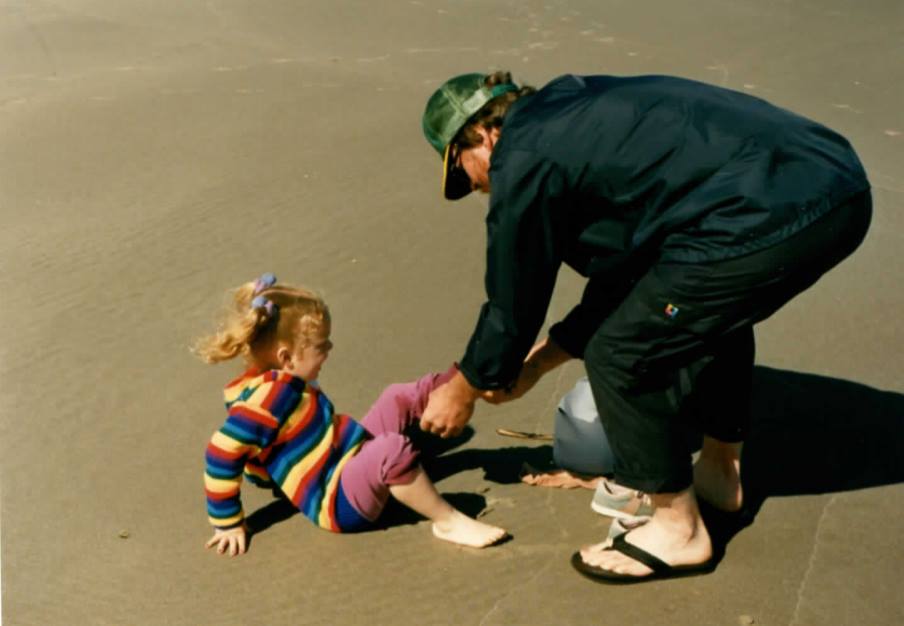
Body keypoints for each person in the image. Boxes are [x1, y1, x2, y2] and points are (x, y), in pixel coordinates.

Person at [418, 71, 871, 583]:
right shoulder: (572, 116)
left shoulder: (523, 153)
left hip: (774, 205)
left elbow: (512, 297)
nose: (478, 186)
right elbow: (640, 278)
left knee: (620, 353)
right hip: (832, 180)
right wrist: (540, 362)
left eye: (465, 171)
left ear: (482, 135)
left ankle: (678, 528)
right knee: (702, 314)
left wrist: (466, 385)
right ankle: (721, 475)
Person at [196, 273, 507, 556]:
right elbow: (220, 453)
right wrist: (228, 522)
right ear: (286, 357)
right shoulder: (269, 399)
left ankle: (465, 385)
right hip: (337, 500)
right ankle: (448, 521)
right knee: (391, 450)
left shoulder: (287, 377)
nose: (330, 348)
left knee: (396, 397)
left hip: (344, 452)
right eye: (321, 345)